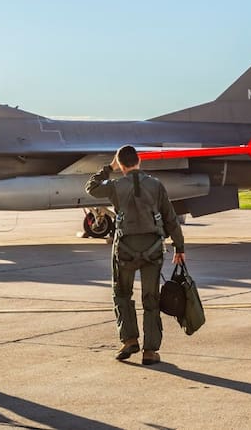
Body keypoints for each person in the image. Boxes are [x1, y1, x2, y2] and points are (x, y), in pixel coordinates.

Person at [85, 145, 186, 365]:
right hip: (152, 250)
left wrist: (107, 168)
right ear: (139, 161)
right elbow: (170, 217)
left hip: (125, 251)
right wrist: (179, 248)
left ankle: (129, 340)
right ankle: (150, 351)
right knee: (151, 299)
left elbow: (91, 188)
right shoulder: (156, 185)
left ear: (121, 165)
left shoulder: (114, 186)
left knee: (121, 294)